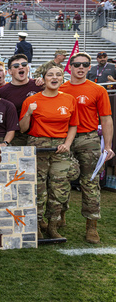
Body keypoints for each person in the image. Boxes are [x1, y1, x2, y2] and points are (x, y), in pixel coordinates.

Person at [60, 52, 115, 243]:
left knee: (90, 182)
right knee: (61, 180)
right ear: (70, 67)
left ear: (89, 67)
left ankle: (91, 226)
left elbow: (106, 118)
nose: (81, 68)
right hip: (64, 138)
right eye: (77, 64)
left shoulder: (98, 90)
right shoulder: (60, 87)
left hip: (88, 139)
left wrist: (107, 146)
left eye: (85, 64)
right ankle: (60, 217)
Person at [20, 66, 79, 239]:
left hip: (60, 147)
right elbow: (23, 129)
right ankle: (37, 225)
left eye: (58, 75)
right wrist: (29, 113)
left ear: (62, 78)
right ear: (43, 78)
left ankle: (52, 226)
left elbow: (73, 125)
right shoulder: (32, 100)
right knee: (38, 188)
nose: (54, 77)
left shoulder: (69, 99)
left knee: (59, 188)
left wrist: (67, 144)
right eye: (50, 75)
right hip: (38, 146)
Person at [0, 54, 44, 146]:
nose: (20, 67)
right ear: (9, 71)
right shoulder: (2, 92)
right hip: (16, 136)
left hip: (39, 136)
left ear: (28, 68)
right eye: (16, 66)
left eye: (24, 64)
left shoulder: (39, 85)